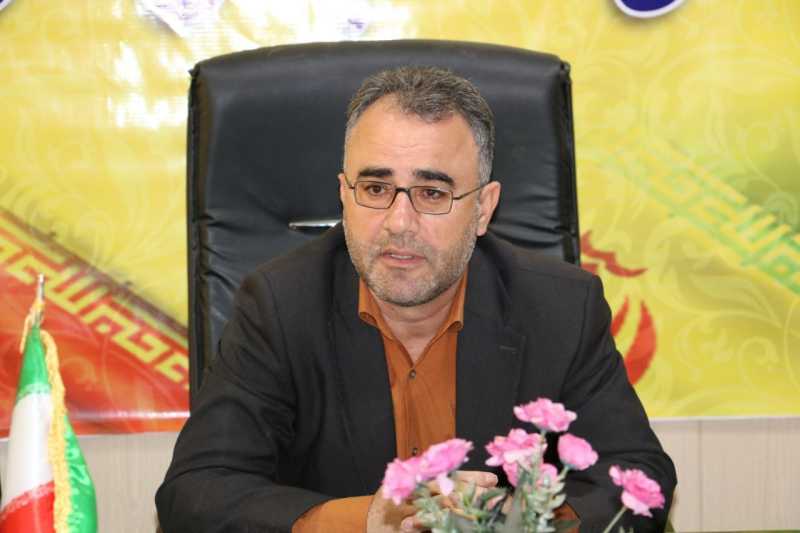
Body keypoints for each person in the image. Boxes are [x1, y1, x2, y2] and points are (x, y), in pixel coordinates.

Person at [156, 66, 676, 532]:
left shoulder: (561, 308)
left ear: (483, 208)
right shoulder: (278, 305)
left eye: (432, 193)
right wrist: (367, 521)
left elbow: (639, 477)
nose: (399, 223)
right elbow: (196, 493)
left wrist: (514, 522)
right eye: (375, 189)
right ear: (344, 194)